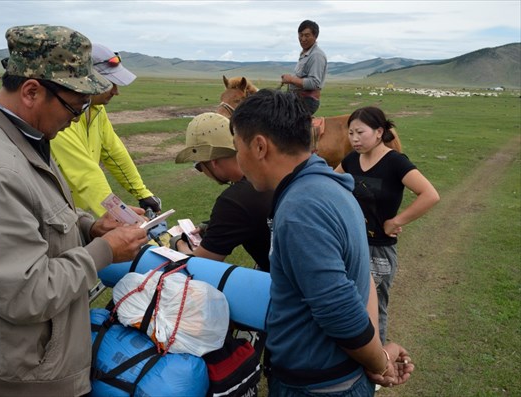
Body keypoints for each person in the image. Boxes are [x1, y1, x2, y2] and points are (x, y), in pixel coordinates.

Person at [0, 25, 149, 396]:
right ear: (32, 91)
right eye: (75, 105)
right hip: (27, 374)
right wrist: (106, 251)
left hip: (37, 359)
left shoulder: (22, 136)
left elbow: (38, 215)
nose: (78, 115)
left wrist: (90, 227)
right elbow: (25, 293)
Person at [230, 89, 415, 395]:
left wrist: (379, 361)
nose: (238, 158)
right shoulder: (334, 185)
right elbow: (362, 276)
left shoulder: (301, 209)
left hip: (319, 386)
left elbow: (339, 310)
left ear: (260, 146)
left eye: (238, 147)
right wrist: (376, 353)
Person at [335, 106, 440, 344]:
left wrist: (397, 221)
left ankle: (378, 362)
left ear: (379, 132)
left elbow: (430, 194)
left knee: (375, 307)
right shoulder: (351, 160)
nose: (354, 139)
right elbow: (331, 185)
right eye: (351, 133)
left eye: (360, 132)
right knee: (346, 302)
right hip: (350, 245)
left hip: (378, 249)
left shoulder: (395, 163)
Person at [50, 43, 161, 217]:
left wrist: (142, 193)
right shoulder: (59, 114)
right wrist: (121, 216)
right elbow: (85, 172)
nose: (116, 92)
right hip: (53, 212)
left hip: (76, 211)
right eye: (110, 84)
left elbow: (113, 151)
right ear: (85, 79)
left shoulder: (96, 109)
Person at [172, 112, 273, 271]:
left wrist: (178, 242)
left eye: (199, 167)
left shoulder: (235, 200)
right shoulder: (270, 171)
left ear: (213, 162)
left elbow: (198, 264)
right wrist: (214, 227)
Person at [280, 20, 327, 116]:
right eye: (300, 35)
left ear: (315, 36)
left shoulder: (316, 55)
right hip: (297, 99)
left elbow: (314, 83)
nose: (303, 39)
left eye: (307, 35)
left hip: (306, 101)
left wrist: (291, 79)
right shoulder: (305, 54)